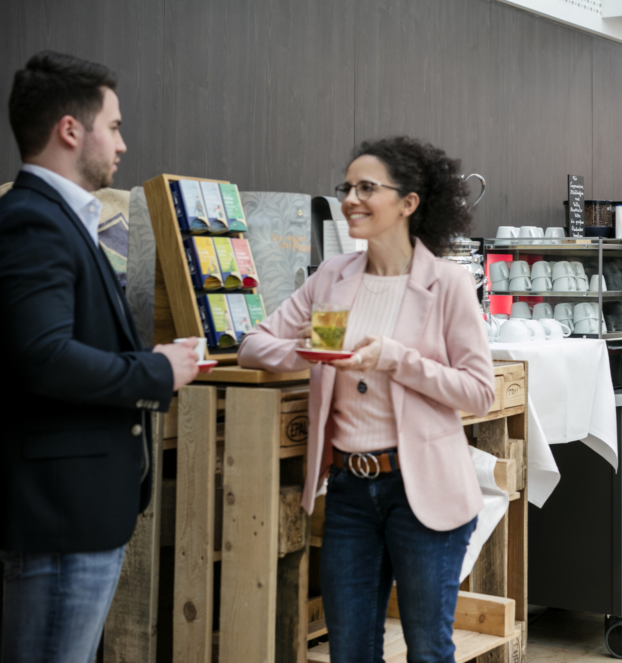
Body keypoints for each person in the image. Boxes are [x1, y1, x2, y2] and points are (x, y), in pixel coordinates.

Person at [238, 136, 494, 662]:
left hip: (423, 491)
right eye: (347, 187)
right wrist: (311, 353)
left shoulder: (447, 284)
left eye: (366, 188)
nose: (351, 199)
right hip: (350, 491)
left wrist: (397, 359)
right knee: (350, 652)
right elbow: (253, 346)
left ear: (409, 202)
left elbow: (479, 391)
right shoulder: (332, 277)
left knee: (427, 649)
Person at [0, 51, 199, 662]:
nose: (123, 144)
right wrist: (158, 370)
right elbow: (45, 357)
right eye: (113, 126)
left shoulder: (62, 218)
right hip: (61, 516)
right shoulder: (33, 222)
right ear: (70, 130)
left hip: (79, 513)